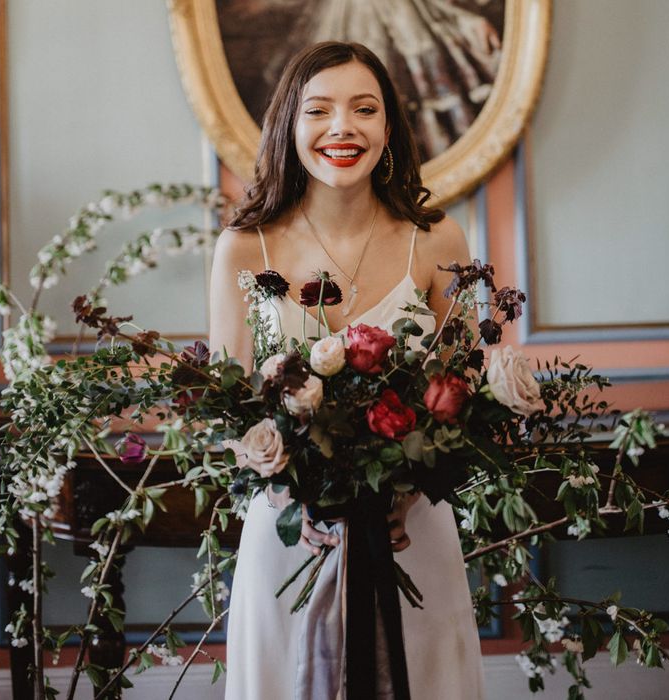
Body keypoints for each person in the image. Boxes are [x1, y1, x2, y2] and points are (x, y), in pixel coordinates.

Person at [209, 41, 485, 700]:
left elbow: (463, 390)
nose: (343, 128)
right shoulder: (245, 249)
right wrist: (302, 494)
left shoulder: (437, 239)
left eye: (365, 109)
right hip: (287, 533)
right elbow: (227, 409)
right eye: (320, 110)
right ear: (289, 128)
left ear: (388, 129)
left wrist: (409, 488)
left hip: (411, 530)